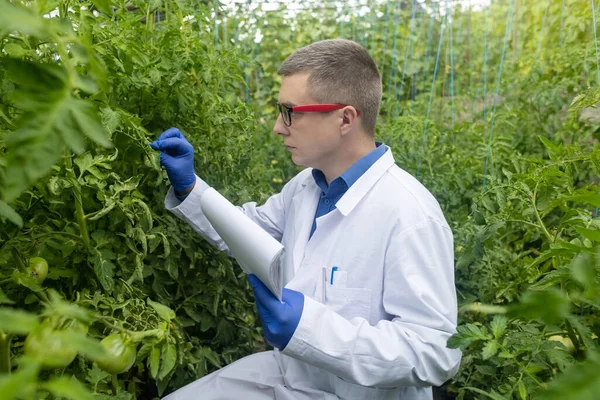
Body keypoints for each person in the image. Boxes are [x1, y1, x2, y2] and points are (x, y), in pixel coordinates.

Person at [151, 39, 461, 400]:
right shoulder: (307, 186)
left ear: (345, 118)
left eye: (290, 112)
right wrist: (191, 189)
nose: (278, 128)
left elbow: (437, 352)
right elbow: (248, 233)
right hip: (289, 373)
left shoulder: (409, 214)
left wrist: (309, 330)